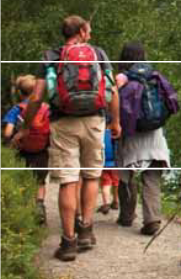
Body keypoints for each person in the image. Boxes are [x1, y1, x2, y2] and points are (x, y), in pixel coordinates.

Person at [22, 15, 120, 262]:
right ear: (82, 31)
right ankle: (86, 230)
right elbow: (113, 90)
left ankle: (68, 243)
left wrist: (27, 125)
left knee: (67, 180)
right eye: (89, 29)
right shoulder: (98, 53)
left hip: (62, 121)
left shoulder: (51, 56)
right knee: (91, 175)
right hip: (95, 120)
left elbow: (36, 97)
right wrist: (115, 121)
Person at [116, 42, 178, 235]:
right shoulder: (155, 76)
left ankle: (126, 216)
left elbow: (114, 102)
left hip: (131, 135)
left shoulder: (121, 78)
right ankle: (152, 219)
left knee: (126, 176)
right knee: (152, 178)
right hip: (155, 136)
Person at [4, 75, 51, 225]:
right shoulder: (46, 108)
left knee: (24, 178)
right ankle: (39, 205)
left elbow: (7, 132)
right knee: (40, 181)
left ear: (19, 92)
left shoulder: (17, 109)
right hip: (42, 151)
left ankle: (26, 209)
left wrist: (11, 140)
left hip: (22, 150)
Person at [99, 111, 119, 214]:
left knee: (106, 184)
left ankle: (106, 203)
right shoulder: (115, 133)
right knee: (116, 183)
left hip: (103, 164)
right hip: (115, 163)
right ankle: (115, 201)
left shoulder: (99, 134)